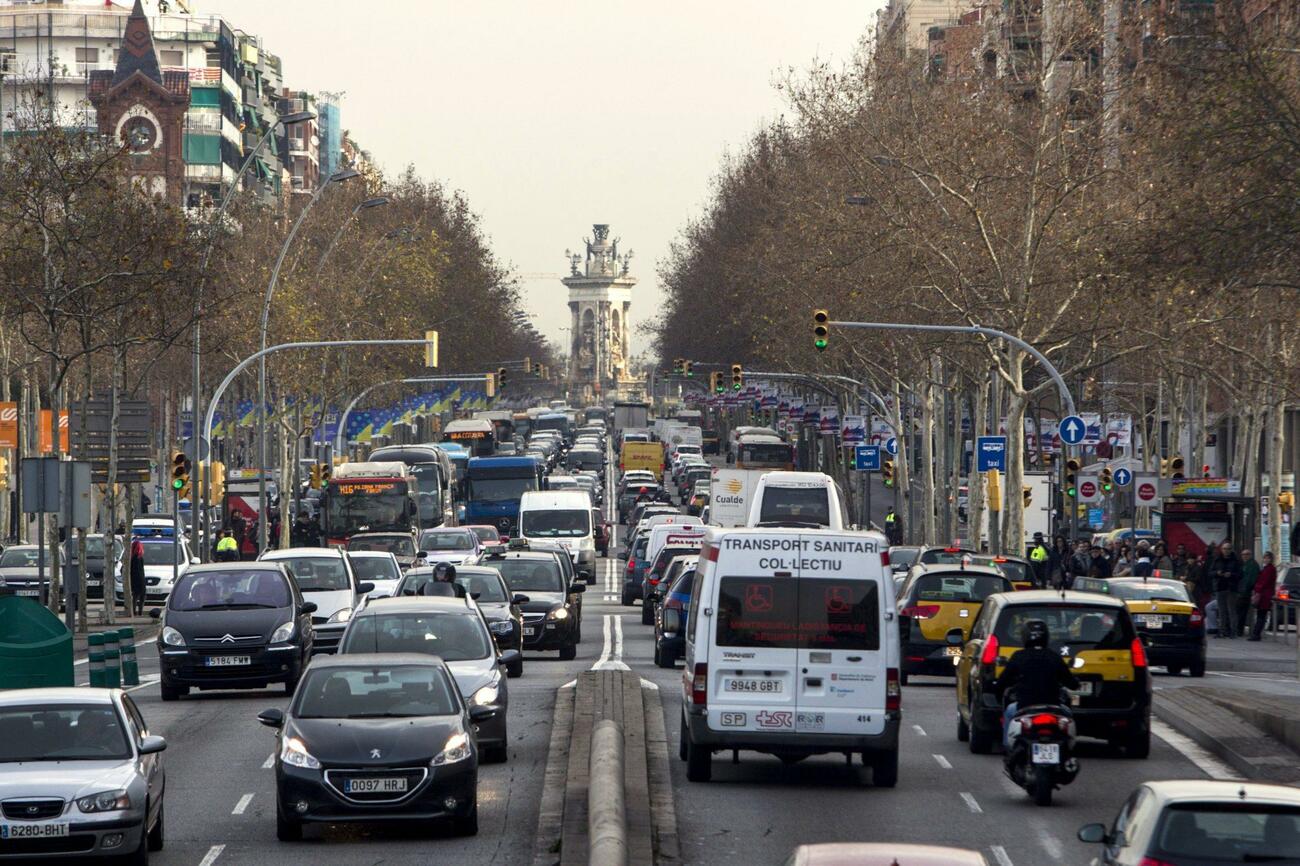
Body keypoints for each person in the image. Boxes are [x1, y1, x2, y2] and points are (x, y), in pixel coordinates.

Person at [996, 619, 1080, 747]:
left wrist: (998, 691)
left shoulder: (1019, 656)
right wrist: (1076, 682)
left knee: (1009, 711)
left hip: (1024, 706)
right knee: (1068, 714)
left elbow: (1003, 681)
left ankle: (1008, 749)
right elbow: (1071, 683)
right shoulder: (1054, 656)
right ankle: (1068, 750)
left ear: (1024, 637)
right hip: (1053, 707)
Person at [1209, 541, 1242, 639]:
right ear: (1221, 549)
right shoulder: (1217, 560)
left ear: (1231, 550)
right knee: (1221, 611)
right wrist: (1217, 573)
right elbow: (1210, 572)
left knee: (1231, 611)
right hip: (1220, 587)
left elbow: (1240, 574)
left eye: (1228, 549)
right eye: (1224, 549)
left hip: (1231, 588)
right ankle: (1222, 631)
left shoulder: (1236, 561)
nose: (1226, 551)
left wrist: (1231, 575)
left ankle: (1233, 631)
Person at [1250, 552, 1278, 641]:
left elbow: (1264, 582)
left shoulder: (1270, 569)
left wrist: (1257, 589)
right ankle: (1256, 634)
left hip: (1265, 595)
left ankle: (1256, 634)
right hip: (1263, 595)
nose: (1266, 559)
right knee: (1260, 615)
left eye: (1268, 558)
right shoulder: (1266, 568)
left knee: (1261, 615)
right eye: (1265, 558)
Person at [1237, 548, 1260, 637]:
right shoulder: (1245, 564)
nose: (1244, 556)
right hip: (1243, 591)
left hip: (1245, 592)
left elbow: (1250, 580)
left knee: (1241, 612)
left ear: (1250, 555)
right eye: (1243, 554)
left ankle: (1239, 630)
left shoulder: (1252, 565)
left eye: (1246, 554)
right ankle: (1239, 629)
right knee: (1240, 612)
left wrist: (1244, 590)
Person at [128, 536, 146, 616]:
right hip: (140, 578)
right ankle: (140, 611)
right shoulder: (140, 558)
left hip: (133, 578)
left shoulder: (131, 558)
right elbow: (141, 570)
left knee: (135, 596)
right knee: (142, 595)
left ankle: (134, 611)